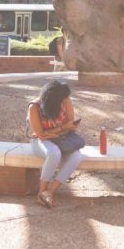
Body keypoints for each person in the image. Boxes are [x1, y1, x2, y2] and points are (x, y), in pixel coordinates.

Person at [27, 79, 83, 207]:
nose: (64, 102)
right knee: (54, 153)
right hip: (40, 142)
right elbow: (40, 135)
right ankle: (41, 192)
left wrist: (61, 130)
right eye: (60, 101)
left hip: (62, 139)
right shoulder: (34, 107)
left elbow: (71, 125)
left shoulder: (65, 100)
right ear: (52, 100)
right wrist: (62, 128)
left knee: (77, 156)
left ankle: (50, 191)